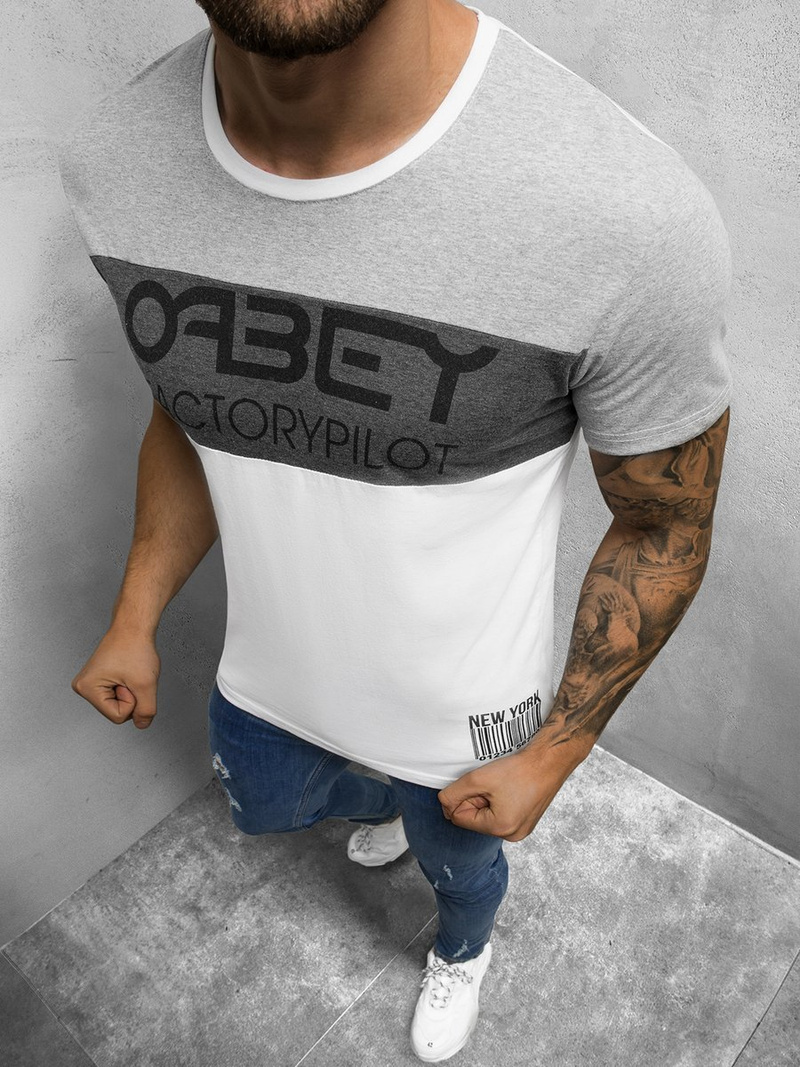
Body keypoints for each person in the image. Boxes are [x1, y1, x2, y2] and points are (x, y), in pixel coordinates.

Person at [62, 0, 732, 1060]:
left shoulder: (625, 215)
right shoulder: (114, 161)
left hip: (460, 705)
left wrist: (555, 752)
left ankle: (462, 949)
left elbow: (663, 523)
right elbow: (192, 411)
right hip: (275, 672)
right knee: (301, 803)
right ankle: (382, 805)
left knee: (460, 865)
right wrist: (134, 615)